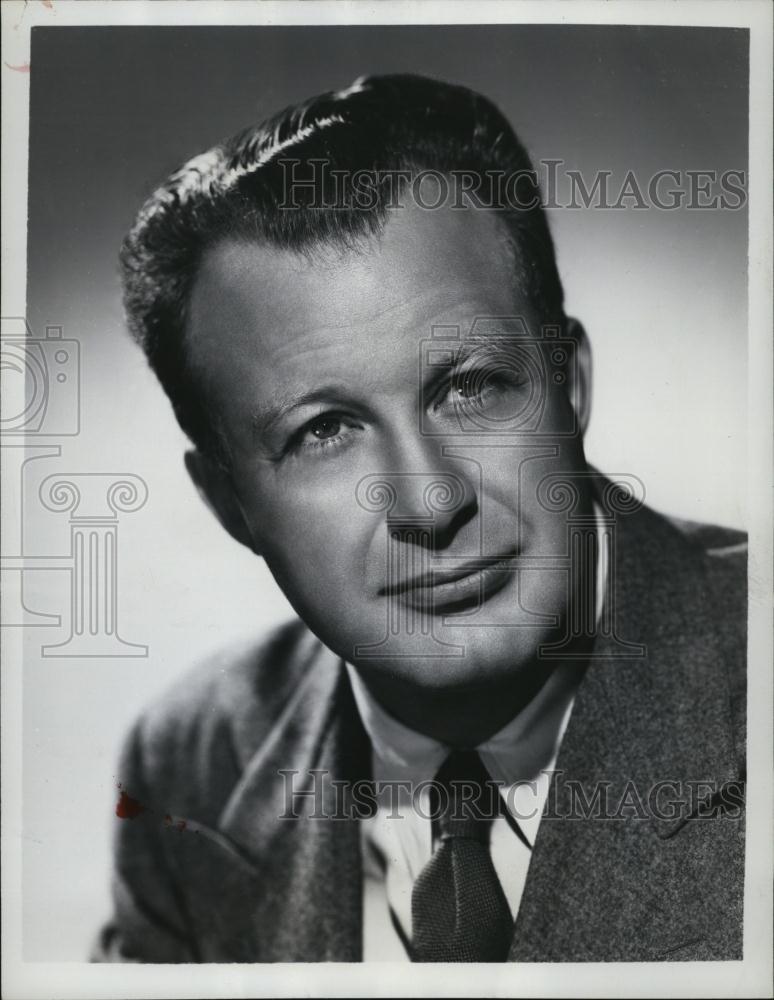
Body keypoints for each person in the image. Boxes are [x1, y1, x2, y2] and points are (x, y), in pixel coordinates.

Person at [93, 74, 746, 963]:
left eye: (470, 388)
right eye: (324, 430)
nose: (432, 502)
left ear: (571, 384)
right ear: (230, 504)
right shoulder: (189, 771)